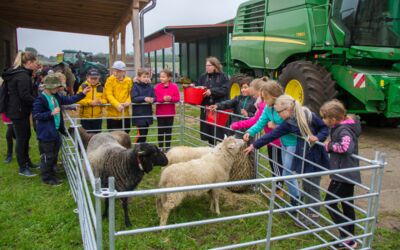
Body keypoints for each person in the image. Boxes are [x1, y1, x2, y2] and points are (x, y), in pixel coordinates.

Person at [243, 81, 300, 207]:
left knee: (287, 172)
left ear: (273, 97)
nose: (263, 100)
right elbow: (260, 122)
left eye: (265, 97)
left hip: (294, 143)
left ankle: (295, 201)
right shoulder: (268, 109)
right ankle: (295, 198)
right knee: (287, 172)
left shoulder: (287, 105)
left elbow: (294, 124)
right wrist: (250, 132)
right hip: (284, 142)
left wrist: (276, 126)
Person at [32, 73, 90, 185]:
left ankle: (52, 172)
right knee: (47, 156)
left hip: (56, 131)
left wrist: (82, 94)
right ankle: (47, 178)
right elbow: (36, 115)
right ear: (49, 86)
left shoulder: (56, 96)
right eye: (56, 86)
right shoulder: (40, 99)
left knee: (53, 154)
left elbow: (68, 99)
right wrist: (50, 113)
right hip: (46, 134)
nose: (59, 88)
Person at [230, 77, 284, 194]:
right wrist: (249, 132)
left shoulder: (267, 106)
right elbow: (259, 123)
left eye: (254, 96)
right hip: (272, 139)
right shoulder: (266, 106)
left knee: (276, 164)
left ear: (260, 92)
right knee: (276, 163)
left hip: (276, 141)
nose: (255, 99)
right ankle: (279, 187)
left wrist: (237, 125)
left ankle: (279, 189)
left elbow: (256, 121)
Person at [320, 100, 361, 249]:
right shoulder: (341, 127)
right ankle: (351, 238)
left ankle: (347, 237)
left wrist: (329, 146)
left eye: (324, 118)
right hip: (346, 172)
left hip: (344, 174)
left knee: (330, 203)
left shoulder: (344, 130)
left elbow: (346, 147)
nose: (323, 121)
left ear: (333, 119)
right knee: (347, 205)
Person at [2, 51, 39, 177]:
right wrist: (39, 102)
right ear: (29, 62)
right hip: (18, 111)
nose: (37, 65)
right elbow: (25, 95)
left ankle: (27, 162)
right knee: (22, 139)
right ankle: (23, 167)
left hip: (19, 110)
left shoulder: (21, 73)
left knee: (26, 136)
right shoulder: (22, 76)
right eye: (35, 62)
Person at [194, 57, 229, 145]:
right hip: (206, 107)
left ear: (215, 66)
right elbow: (198, 85)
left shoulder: (223, 76)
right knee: (208, 131)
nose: (207, 67)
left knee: (218, 131)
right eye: (206, 65)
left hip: (218, 107)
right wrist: (195, 86)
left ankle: (221, 151)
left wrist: (212, 91)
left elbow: (225, 90)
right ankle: (211, 149)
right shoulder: (203, 76)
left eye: (209, 65)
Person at [154, 69, 180, 151]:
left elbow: (177, 98)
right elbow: (156, 99)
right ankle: (161, 147)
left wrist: (171, 98)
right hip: (160, 113)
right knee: (160, 131)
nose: (161, 78)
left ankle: (168, 148)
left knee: (169, 131)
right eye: (160, 77)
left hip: (170, 113)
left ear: (169, 78)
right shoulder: (157, 87)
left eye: (163, 77)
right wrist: (163, 99)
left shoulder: (174, 87)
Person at [104, 61, 132, 134]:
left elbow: (131, 93)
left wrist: (128, 101)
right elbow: (108, 94)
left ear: (124, 72)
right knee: (113, 135)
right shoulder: (109, 80)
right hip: (112, 115)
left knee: (125, 134)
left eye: (118, 71)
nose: (115, 73)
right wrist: (117, 105)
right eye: (114, 70)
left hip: (125, 114)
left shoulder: (129, 81)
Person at [131, 68, 155, 143]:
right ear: (138, 77)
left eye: (147, 77)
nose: (146, 79)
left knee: (145, 134)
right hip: (139, 115)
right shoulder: (135, 86)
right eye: (144, 77)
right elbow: (134, 98)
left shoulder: (150, 86)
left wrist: (152, 100)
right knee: (141, 134)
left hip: (147, 114)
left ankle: (142, 151)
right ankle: (136, 150)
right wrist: (144, 98)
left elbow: (154, 97)